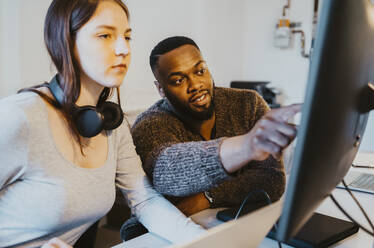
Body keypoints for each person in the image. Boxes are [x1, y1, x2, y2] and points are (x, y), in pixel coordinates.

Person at [0, 3, 205, 248]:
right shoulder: (18, 116)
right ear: (66, 41)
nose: (123, 49)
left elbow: (144, 201)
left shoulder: (110, 123)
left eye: (127, 36)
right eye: (105, 35)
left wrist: (203, 240)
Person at [131, 36, 301, 217]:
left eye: (200, 71)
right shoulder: (148, 125)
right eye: (179, 80)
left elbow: (271, 180)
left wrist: (207, 197)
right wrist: (246, 146)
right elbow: (166, 172)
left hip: (236, 222)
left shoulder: (248, 103)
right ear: (161, 89)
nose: (196, 85)